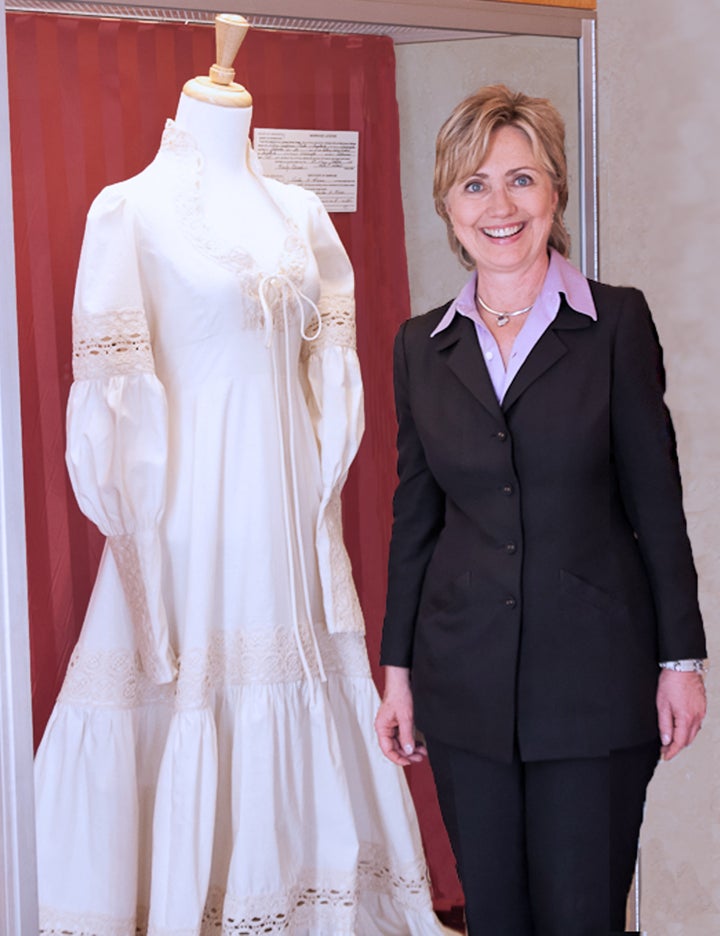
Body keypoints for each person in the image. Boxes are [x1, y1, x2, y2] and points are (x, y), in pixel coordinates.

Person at [34, 16, 445, 935]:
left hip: (289, 514)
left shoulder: (300, 215)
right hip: (188, 512)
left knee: (298, 685)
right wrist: (140, 539)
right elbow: (116, 398)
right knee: (194, 695)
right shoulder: (127, 212)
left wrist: (312, 499)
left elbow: (333, 387)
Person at [374, 84, 707, 936]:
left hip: (594, 685)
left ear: (554, 192)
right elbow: (416, 518)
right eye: (475, 184)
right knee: (495, 917)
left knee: (581, 916)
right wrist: (398, 672)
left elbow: (657, 504)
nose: (500, 205)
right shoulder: (421, 345)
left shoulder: (616, 323)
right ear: (448, 206)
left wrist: (681, 660)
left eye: (521, 180)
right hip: (463, 687)